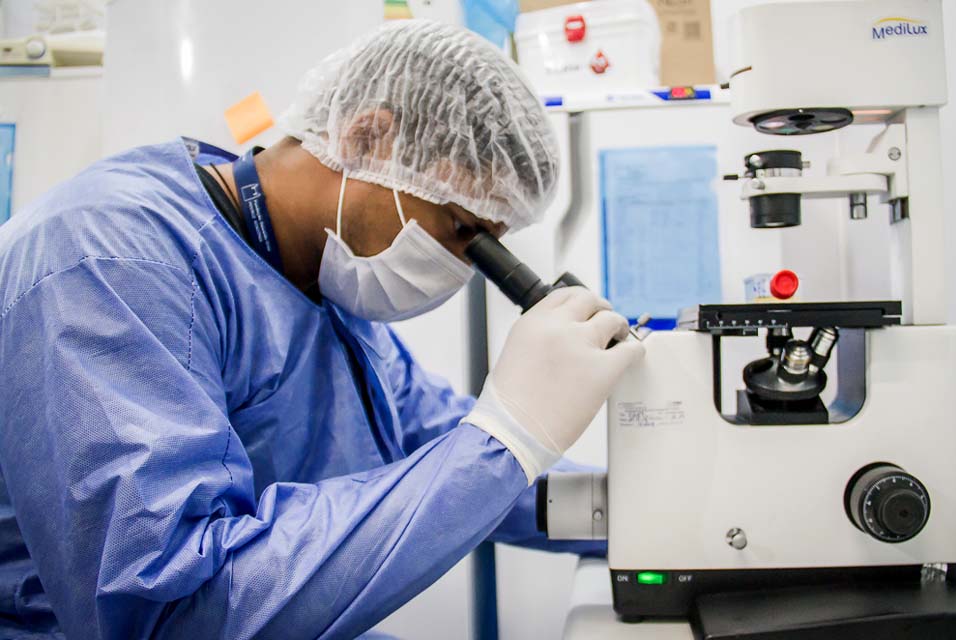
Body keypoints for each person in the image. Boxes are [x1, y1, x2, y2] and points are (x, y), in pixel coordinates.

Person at [0, 20, 644, 640]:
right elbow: (169, 611)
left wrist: (645, 505)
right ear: (368, 139)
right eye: (461, 230)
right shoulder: (110, 261)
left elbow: (424, 445)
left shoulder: (318, 274)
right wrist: (508, 436)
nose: (460, 265)